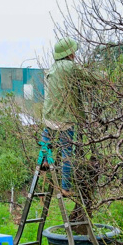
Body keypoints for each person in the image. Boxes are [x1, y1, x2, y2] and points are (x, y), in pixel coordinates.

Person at [41, 37, 88, 197]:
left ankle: (45, 159)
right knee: (67, 152)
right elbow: (89, 77)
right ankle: (66, 188)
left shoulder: (52, 68)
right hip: (65, 117)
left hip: (49, 114)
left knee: (46, 137)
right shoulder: (70, 67)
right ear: (69, 53)